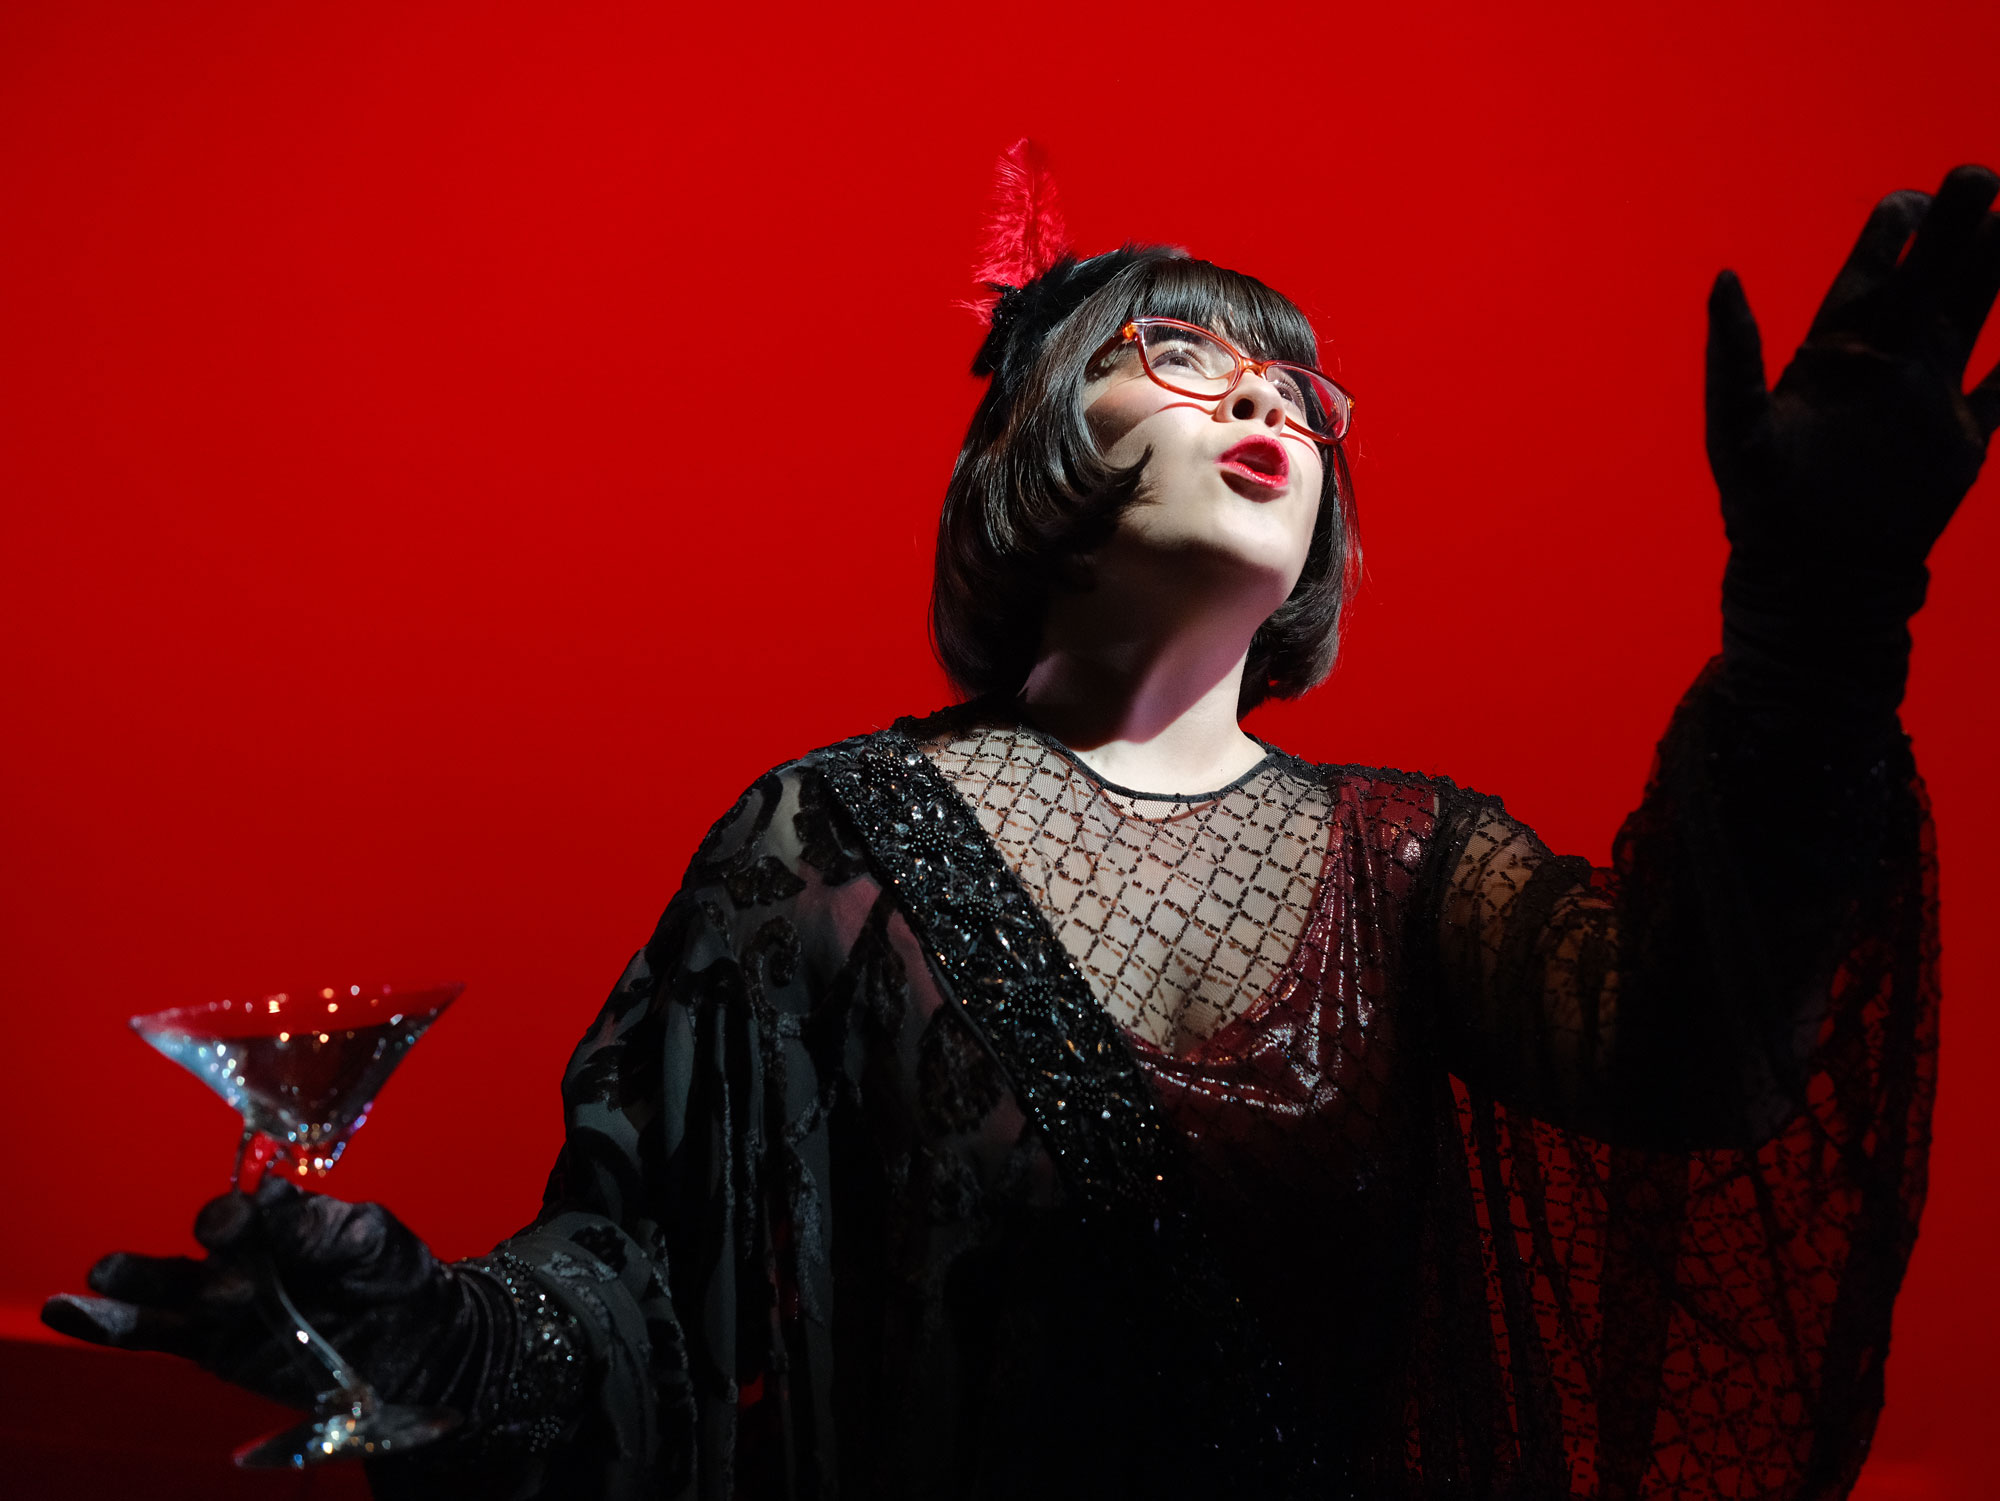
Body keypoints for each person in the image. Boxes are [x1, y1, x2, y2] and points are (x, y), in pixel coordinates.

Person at [43, 161, 2000, 1501]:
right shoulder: (823, 843)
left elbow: (1697, 1047)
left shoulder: (1419, 864)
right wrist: (402, 1333)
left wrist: (1816, 607)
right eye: (1185, 351)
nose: (1269, 397)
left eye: (1301, 387)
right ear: (1042, 433)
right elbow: (645, 1302)